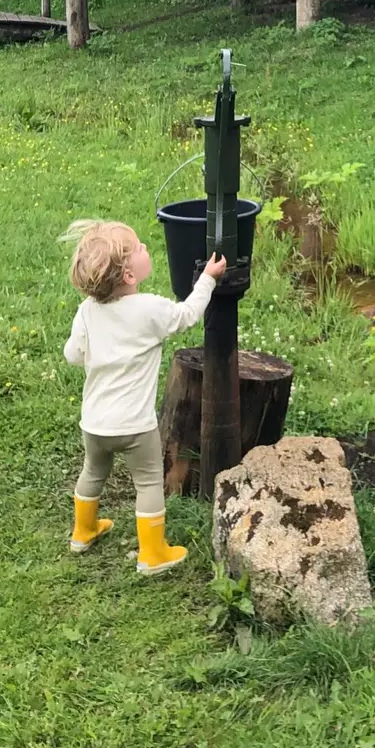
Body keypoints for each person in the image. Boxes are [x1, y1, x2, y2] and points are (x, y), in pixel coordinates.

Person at [62, 219, 225, 574]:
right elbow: (188, 315)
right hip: (136, 426)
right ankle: (152, 554)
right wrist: (208, 279)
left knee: (92, 471)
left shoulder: (87, 310)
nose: (146, 248)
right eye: (139, 248)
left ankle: (83, 531)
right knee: (148, 481)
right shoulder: (150, 309)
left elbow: (73, 355)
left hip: (95, 424)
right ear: (129, 275)